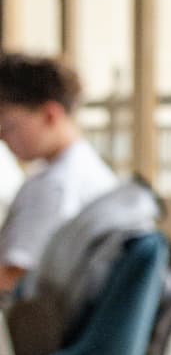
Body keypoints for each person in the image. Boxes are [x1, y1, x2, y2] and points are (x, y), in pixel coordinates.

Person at [0, 53, 117, 294]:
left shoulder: (54, 186)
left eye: (8, 127)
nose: (3, 138)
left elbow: (12, 279)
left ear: (50, 115)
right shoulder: (87, 169)